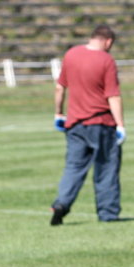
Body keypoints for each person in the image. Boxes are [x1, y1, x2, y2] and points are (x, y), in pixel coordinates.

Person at [51, 24, 126, 225]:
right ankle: (108, 214)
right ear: (108, 41)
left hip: (75, 124)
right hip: (102, 123)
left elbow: (60, 87)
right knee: (106, 169)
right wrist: (120, 125)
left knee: (74, 168)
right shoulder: (106, 60)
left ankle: (61, 204)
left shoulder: (71, 55)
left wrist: (59, 113)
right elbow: (113, 96)